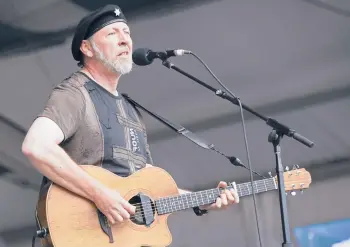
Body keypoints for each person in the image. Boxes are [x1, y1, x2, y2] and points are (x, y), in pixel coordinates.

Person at [21, 4, 239, 227]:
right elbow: (36, 146)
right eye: (112, 33)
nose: (124, 39)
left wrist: (202, 201)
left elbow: (148, 188)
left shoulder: (129, 109)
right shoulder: (75, 94)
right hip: (81, 230)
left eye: (126, 32)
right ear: (87, 48)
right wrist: (100, 195)